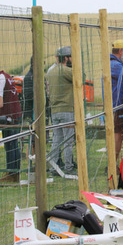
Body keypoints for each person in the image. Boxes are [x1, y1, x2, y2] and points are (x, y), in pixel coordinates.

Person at [46, 46, 76, 175]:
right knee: (68, 141)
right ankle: (69, 168)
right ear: (66, 58)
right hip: (67, 109)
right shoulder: (65, 71)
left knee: (56, 141)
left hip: (54, 110)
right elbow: (81, 78)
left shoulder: (50, 71)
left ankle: (54, 168)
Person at [0, 65, 22, 182]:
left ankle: (11, 174)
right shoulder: (6, 76)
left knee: (9, 145)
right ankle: (15, 173)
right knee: (14, 144)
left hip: (8, 116)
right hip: (16, 114)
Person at [109, 39, 123, 160]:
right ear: (121, 51)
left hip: (113, 104)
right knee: (118, 134)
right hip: (117, 105)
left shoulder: (111, 63)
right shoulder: (117, 66)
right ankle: (113, 161)